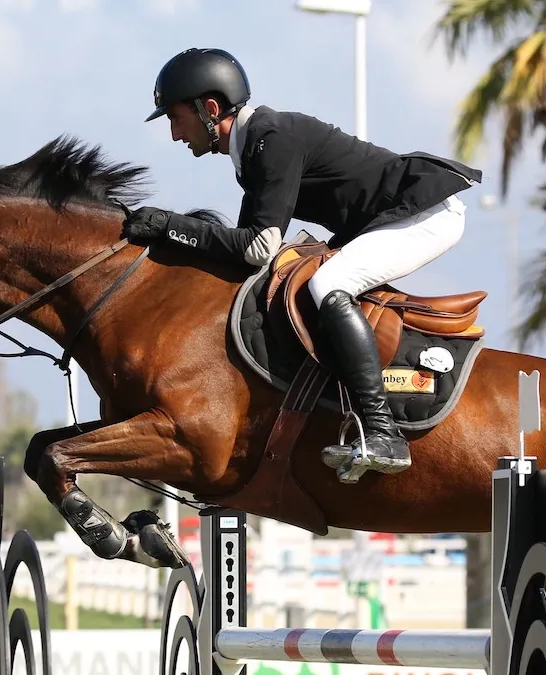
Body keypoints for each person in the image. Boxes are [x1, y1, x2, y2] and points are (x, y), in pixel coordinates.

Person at [122, 48, 482, 481]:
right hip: (388, 218)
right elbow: (245, 257)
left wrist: (169, 225)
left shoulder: (271, 140)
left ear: (210, 108)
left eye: (174, 119)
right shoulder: (252, 150)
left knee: (328, 284)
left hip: (424, 212)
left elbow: (258, 247)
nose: (176, 134)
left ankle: (383, 432)